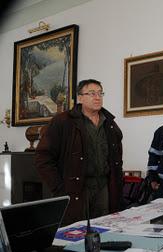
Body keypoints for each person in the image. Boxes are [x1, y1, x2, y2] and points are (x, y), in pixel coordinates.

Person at [35, 79, 124, 225]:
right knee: (76, 234)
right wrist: (59, 188)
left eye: (100, 93)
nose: (97, 97)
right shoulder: (63, 121)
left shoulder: (110, 123)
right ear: (80, 97)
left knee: (103, 230)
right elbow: (42, 158)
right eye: (92, 93)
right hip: (76, 189)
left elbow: (117, 159)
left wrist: (117, 184)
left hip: (104, 188)